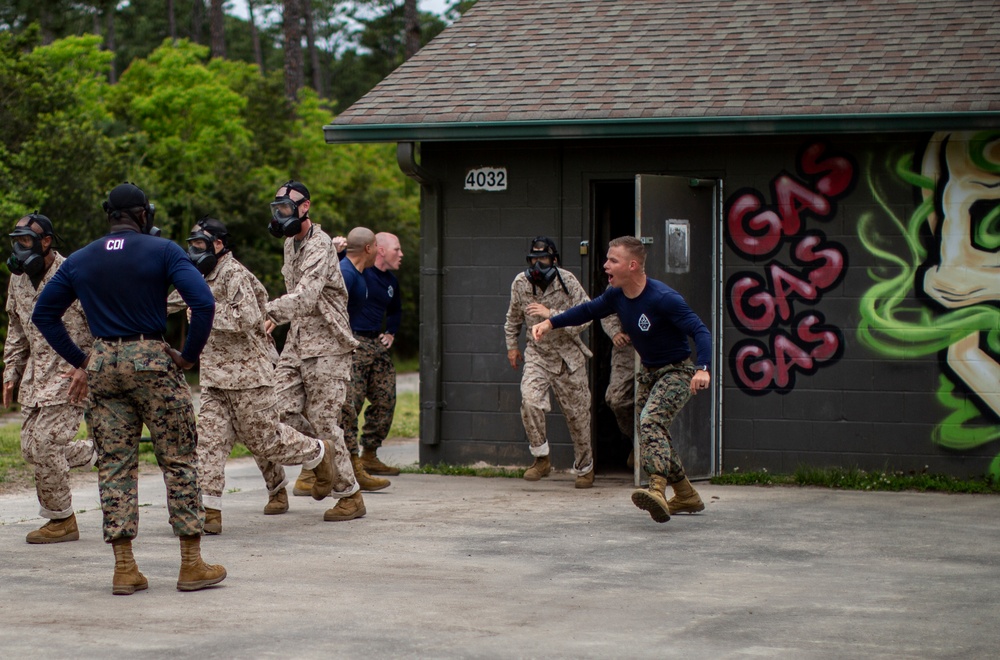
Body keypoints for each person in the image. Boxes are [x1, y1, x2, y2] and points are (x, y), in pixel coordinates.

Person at [31, 182, 227, 594]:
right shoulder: (165, 251)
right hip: (152, 358)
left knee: (115, 464)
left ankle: (125, 568)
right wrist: (189, 355)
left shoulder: (81, 259)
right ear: (143, 215)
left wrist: (82, 359)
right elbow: (203, 302)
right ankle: (191, 565)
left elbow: (44, 314)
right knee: (177, 458)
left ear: (109, 215)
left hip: (103, 362)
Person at [166, 218, 335, 533]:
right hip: (215, 378)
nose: (194, 251)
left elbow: (246, 317)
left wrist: (203, 311)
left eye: (200, 245)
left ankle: (319, 452)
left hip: (250, 377)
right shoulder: (196, 276)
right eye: (192, 245)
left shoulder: (235, 275)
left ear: (219, 244)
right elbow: (171, 302)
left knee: (267, 442)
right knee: (210, 445)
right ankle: (210, 511)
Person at [532, 235, 711, 523]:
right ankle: (686, 494)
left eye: (612, 261)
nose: (605, 266)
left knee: (651, 423)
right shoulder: (616, 295)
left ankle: (656, 489)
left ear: (632, 265)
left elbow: (700, 330)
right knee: (653, 433)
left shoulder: (663, 298)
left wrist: (703, 368)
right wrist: (550, 322)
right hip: (649, 373)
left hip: (678, 371)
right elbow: (587, 310)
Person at [258, 180, 366, 522]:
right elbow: (296, 297)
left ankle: (350, 496)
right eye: (277, 210)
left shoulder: (319, 245)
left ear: (305, 207)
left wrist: (269, 312)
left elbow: (305, 296)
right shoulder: (291, 243)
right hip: (298, 339)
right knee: (277, 407)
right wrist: (279, 318)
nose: (281, 216)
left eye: (286, 209)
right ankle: (320, 460)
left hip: (329, 344)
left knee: (323, 419)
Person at [3, 213, 95, 544]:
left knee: (45, 444)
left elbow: (103, 323)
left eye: (25, 241)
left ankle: (62, 520)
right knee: (30, 449)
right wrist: (11, 370)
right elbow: (16, 327)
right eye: (15, 240)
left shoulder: (74, 273)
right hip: (35, 377)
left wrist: (88, 366)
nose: (18, 247)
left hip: (71, 372)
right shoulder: (18, 279)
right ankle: (96, 453)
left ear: (46, 242)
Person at [504, 236, 595, 488]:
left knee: (577, 416)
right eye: (533, 259)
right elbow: (512, 318)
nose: (537, 265)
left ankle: (585, 468)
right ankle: (541, 458)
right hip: (538, 355)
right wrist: (512, 346)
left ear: (553, 260)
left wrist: (551, 315)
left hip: (569, 357)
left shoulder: (568, 281)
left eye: (542, 259)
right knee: (530, 401)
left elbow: (588, 315)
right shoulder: (521, 283)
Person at [337, 226, 393, 490]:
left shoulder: (361, 275)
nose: (400, 254)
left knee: (349, 407)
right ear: (371, 249)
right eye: (396, 249)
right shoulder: (346, 274)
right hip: (343, 348)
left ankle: (360, 462)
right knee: (345, 407)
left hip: (358, 345)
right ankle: (317, 471)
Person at [350, 232, 405, 477]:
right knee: (351, 403)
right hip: (354, 342)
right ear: (379, 250)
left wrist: (391, 332)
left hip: (376, 343)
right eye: (397, 249)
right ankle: (346, 460)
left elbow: (395, 310)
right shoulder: (358, 272)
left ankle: (369, 455)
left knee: (385, 399)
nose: (401, 254)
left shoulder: (391, 282)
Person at [600, 312, 636, 467]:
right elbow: (606, 310)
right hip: (626, 350)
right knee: (615, 399)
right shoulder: (617, 288)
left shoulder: (660, 288)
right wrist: (615, 332)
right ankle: (636, 441)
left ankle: (649, 449)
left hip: (654, 346)